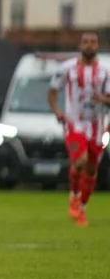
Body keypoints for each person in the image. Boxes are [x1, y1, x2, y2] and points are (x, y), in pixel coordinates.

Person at [48, 32, 110, 227]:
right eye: (85, 42)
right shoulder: (67, 68)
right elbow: (52, 91)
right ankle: (74, 195)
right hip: (74, 123)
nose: (89, 45)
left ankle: (82, 208)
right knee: (81, 161)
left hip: (97, 126)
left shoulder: (106, 71)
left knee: (91, 170)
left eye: (93, 42)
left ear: (97, 46)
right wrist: (57, 111)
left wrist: (102, 100)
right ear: (80, 45)